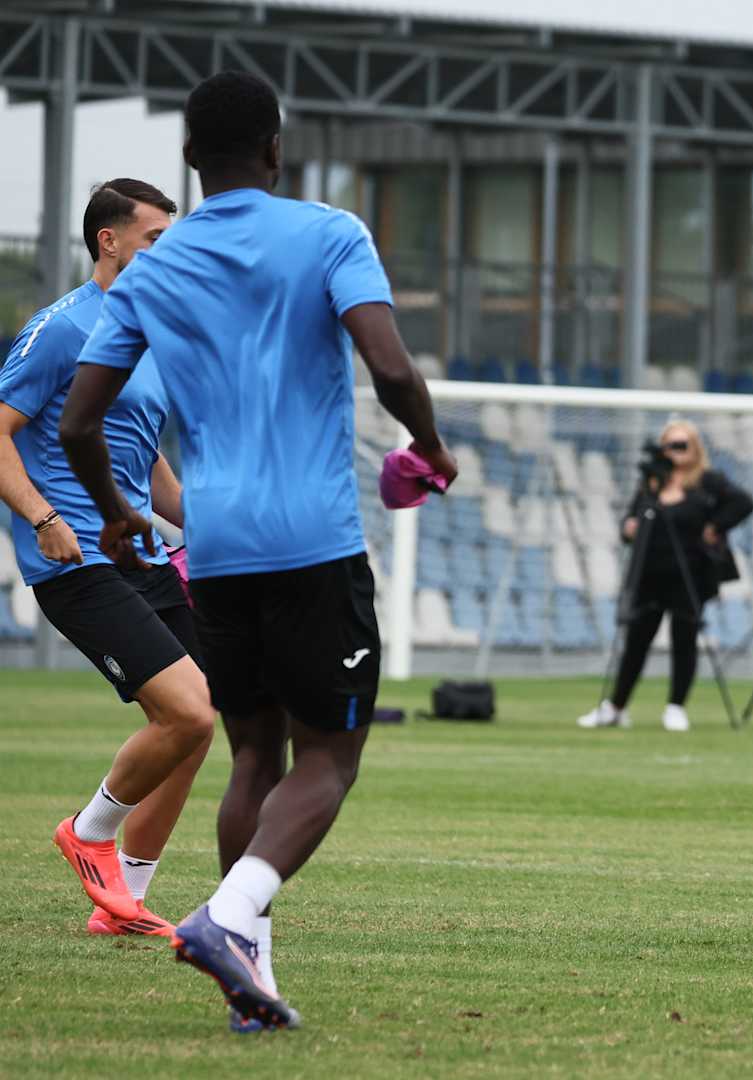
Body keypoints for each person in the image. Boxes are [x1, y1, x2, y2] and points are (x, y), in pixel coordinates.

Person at [60, 70, 456, 1032]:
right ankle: (229, 915)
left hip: (217, 550)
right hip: (312, 541)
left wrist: (116, 511)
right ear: (277, 150)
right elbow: (390, 365)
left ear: (189, 158)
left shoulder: (151, 270)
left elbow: (77, 423)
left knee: (252, 758)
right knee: (330, 760)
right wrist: (431, 447)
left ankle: (253, 982)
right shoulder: (329, 234)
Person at [1, 178, 214, 938]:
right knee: (187, 709)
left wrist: (215, 528)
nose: (168, 253)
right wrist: (43, 516)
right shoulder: (63, 327)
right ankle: (87, 832)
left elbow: (144, 459)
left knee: (198, 722)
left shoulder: (151, 333)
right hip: (77, 560)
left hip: (140, 552)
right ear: (110, 241)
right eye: (156, 240)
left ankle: (122, 904)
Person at [578, 419, 753, 732]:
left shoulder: (708, 482)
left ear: (695, 449)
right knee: (636, 642)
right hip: (649, 573)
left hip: (689, 575)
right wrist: (628, 529)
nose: (674, 451)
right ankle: (616, 707)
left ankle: (676, 707)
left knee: (684, 639)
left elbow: (744, 503)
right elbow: (630, 521)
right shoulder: (653, 482)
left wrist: (715, 526)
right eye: (669, 445)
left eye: (681, 445)